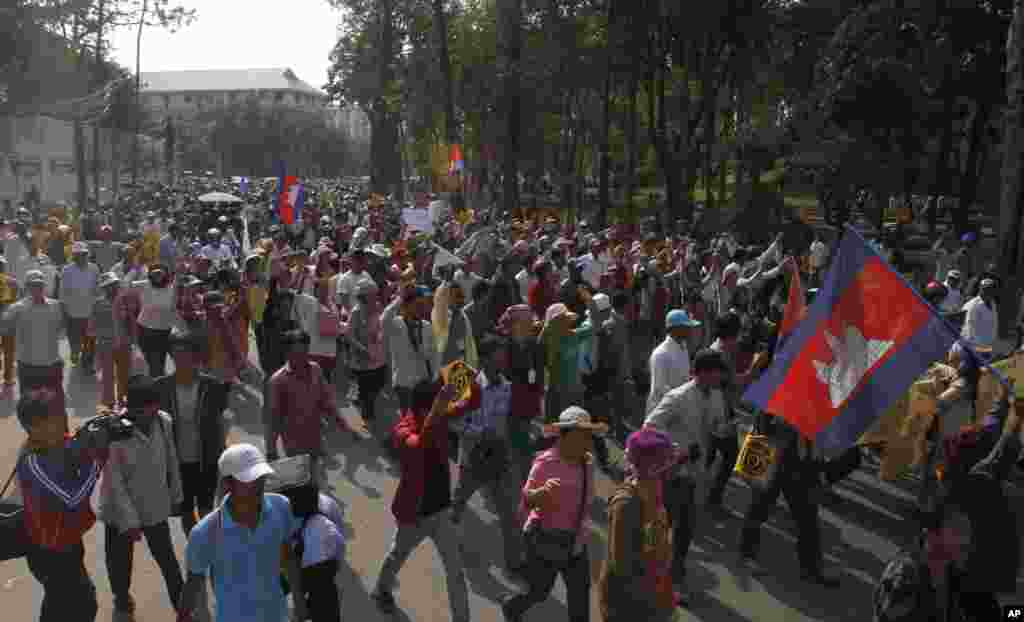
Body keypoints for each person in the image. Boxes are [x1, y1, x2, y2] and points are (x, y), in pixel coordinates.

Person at [5, 389, 109, 622]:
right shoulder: (32, 461)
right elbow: (71, 498)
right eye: (51, 421)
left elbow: (76, 448)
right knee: (77, 603)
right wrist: (97, 460)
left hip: (68, 541)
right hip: (49, 550)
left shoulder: (60, 443)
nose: (60, 424)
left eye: (59, 417)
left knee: (66, 604)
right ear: (33, 427)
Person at [370, 383, 471, 622]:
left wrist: (468, 380)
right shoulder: (403, 430)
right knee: (397, 555)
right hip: (415, 516)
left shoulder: (438, 416)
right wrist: (438, 410)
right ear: (421, 409)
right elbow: (419, 445)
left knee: (456, 573)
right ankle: (381, 590)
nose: (442, 412)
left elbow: (467, 404)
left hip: (440, 512)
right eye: (435, 406)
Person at [178, 443, 308, 622]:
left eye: (260, 477)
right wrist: (183, 617)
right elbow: (193, 581)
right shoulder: (204, 533)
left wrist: (299, 601)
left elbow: (287, 555)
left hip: (276, 614)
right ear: (227, 483)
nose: (258, 484)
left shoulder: (281, 507)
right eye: (248, 480)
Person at [501, 406, 605, 622]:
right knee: (539, 592)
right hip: (546, 541)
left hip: (576, 542)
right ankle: (513, 607)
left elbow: (588, 499)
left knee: (579, 599)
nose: (588, 442)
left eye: (589, 436)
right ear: (565, 436)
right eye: (583, 436)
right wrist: (540, 494)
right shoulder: (544, 463)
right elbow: (525, 504)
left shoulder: (588, 463)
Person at [96, 375, 185, 621]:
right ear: (131, 406)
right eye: (140, 409)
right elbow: (114, 482)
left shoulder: (163, 422)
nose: (147, 414)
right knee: (119, 564)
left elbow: (171, 459)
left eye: (151, 407)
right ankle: (122, 601)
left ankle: (182, 608)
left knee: (168, 561)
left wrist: (176, 494)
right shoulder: (115, 431)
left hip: (154, 504)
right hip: (118, 511)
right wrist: (131, 522)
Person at [643, 348, 728, 602]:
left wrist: (723, 430)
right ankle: (649, 579)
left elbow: (715, 427)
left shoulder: (716, 396)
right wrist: (677, 449)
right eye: (716, 373)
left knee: (685, 532)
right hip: (673, 474)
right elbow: (649, 427)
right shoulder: (677, 397)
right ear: (702, 373)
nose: (719, 378)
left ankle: (672, 582)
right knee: (662, 529)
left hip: (697, 474)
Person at [450, 335, 523, 571]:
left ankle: (514, 563)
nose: (503, 360)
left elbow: (505, 424)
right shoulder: (462, 380)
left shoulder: (508, 386)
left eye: (504, 355)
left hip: (498, 458)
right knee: (457, 505)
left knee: (509, 513)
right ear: (485, 358)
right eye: (498, 355)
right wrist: (479, 433)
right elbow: (451, 422)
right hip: (471, 457)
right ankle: (447, 547)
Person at [599, 429, 686, 622]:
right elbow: (622, 566)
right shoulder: (627, 505)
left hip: (652, 597)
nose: (676, 468)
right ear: (655, 469)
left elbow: (656, 548)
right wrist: (655, 609)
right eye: (669, 463)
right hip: (629, 607)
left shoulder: (653, 491)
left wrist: (665, 597)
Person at [156, 330, 231, 537]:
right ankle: (195, 545)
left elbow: (223, 422)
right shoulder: (161, 387)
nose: (181, 359)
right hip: (178, 462)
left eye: (186, 353)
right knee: (186, 511)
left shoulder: (213, 387)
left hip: (206, 458)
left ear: (194, 355)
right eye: (176, 354)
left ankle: (208, 545)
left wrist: (222, 453)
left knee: (206, 509)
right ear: (171, 356)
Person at [265, 329, 346, 485]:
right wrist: (271, 451)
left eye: (304, 352)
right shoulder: (277, 381)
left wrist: (343, 424)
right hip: (294, 446)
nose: (301, 358)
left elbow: (326, 400)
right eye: (296, 353)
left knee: (315, 477)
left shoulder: (316, 369)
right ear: (286, 353)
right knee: (300, 483)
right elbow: (273, 419)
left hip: (315, 437)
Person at [2, 269, 65, 405]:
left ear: (44, 286)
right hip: (28, 366)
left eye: (39, 285)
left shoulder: (56, 306)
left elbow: (60, 329)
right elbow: (5, 328)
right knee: (29, 410)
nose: (37, 288)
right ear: (27, 287)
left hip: (52, 364)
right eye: (33, 285)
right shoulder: (16, 308)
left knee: (56, 406)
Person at [647, 309, 700, 414]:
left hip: (680, 409)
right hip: (661, 412)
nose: (690, 330)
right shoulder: (660, 354)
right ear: (675, 329)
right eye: (686, 327)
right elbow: (660, 388)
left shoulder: (683, 348)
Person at [129, 264, 178, 377]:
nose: (158, 276)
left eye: (160, 273)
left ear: (166, 275)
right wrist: (134, 270)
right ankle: (154, 385)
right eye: (155, 273)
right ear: (150, 275)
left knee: (160, 361)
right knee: (151, 362)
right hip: (145, 329)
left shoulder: (172, 288)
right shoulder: (144, 285)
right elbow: (125, 285)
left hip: (164, 331)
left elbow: (174, 307)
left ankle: (158, 383)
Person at [60, 242, 100, 372]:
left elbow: (98, 289)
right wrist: (64, 311)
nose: (82, 257)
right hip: (73, 312)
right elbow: (63, 292)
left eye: (84, 254)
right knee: (74, 338)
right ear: (74, 256)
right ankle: (75, 352)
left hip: (90, 312)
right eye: (79, 255)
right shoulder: (67, 270)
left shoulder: (94, 268)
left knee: (90, 340)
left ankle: (87, 363)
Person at [0, 256, 19, 393]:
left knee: (8, 350)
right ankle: (7, 377)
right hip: (7, 319)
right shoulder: (12, 282)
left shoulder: (12, 282)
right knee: (9, 351)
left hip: (7, 319)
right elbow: (14, 302)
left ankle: (7, 377)